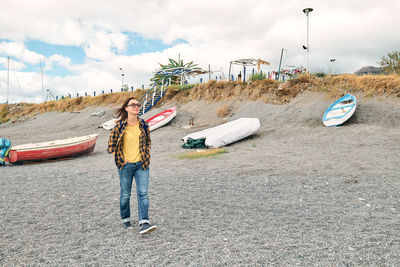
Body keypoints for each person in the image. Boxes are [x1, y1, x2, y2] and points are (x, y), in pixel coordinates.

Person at [107, 97, 157, 235]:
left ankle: (144, 222)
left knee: (143, 193)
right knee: (125, 195)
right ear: (127, 108)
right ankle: (125, 218)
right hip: (126, 166)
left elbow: (148, 142)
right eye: (132, 105)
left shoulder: (144, 125)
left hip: (142, 164)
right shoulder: (119, 126)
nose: (136, 107)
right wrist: (121, 159)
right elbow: (111, 147)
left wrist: (146, 153)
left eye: (138, 105)